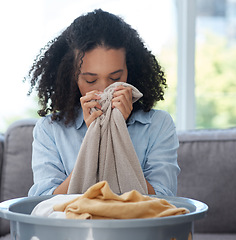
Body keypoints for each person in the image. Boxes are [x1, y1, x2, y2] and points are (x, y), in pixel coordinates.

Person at [27, 9, 180, 196]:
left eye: (115, 78)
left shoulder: (158, 125)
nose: (104, 90)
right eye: (90, 81)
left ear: (129, 70)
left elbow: (165, 199)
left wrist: (116, 131)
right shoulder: (49, 129)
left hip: (137, 225)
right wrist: (95, 138)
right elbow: (44, 202)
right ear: (72, 77)